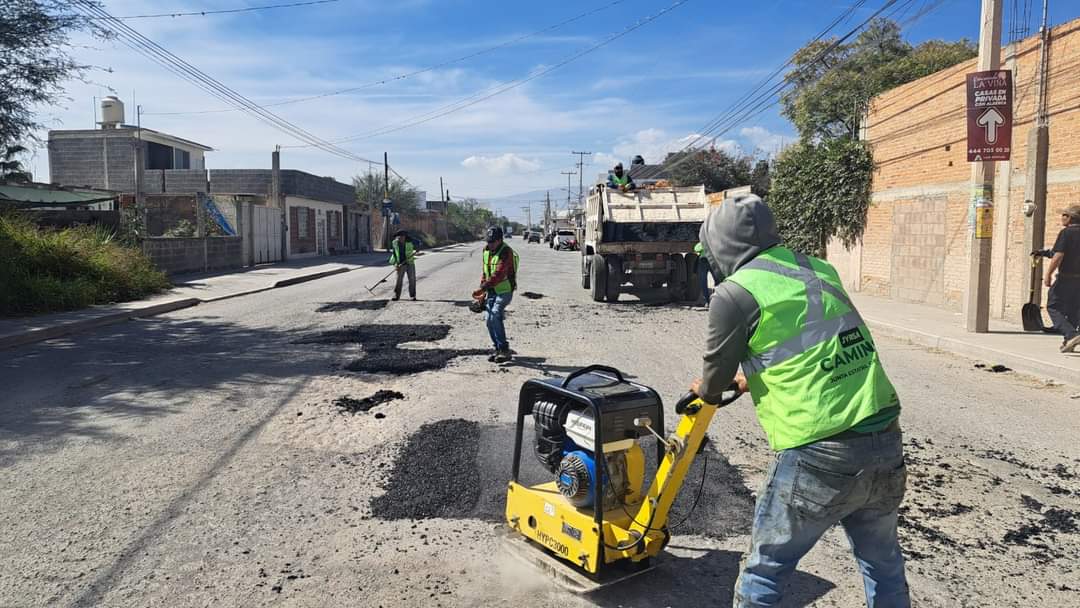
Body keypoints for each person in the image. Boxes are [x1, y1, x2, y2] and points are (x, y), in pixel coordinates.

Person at [690, 194, 909, 608]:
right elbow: (813, 343)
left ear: (719, 244)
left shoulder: (734, 294)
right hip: (884, 438)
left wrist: (710, 387)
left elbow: (712, 383)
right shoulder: (817, 267)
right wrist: (749, 379)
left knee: (765, 570)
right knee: (883, 565)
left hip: (819, 451)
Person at [473, 226, 516, 363]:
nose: (489, 244)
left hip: (504, 291)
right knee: (488, 320)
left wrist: (483, 288)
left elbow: (499, 274)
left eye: (492, 242)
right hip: (491, 291)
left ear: (499, 240)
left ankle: (504, 349)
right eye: (488, 241)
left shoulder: (506, 252)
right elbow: (485, 272)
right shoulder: (486, 251)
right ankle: (497, 348)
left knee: (495, 314)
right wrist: (483, 291)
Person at [388, 229, 416, 301]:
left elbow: (419, 243)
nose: (401, 239)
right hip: (400, 263)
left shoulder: (410, 241)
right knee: (398, 280)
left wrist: (418, 249)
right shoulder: (394, 243)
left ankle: (412, 296)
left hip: (410, 263)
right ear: (397, 237)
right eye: (399, 237)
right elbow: (394, 253)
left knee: (412, 279)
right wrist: (395, 264)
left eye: (403, 237)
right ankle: (396, 295)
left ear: (405, 237)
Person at [694, 241, 711, 309]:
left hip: (703, 261)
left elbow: (696, 249)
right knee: (717, 281)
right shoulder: (717, 241)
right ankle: (717, 300)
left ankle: (707, 301)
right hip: (714, 260)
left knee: (703, 281)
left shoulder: (703, 242)